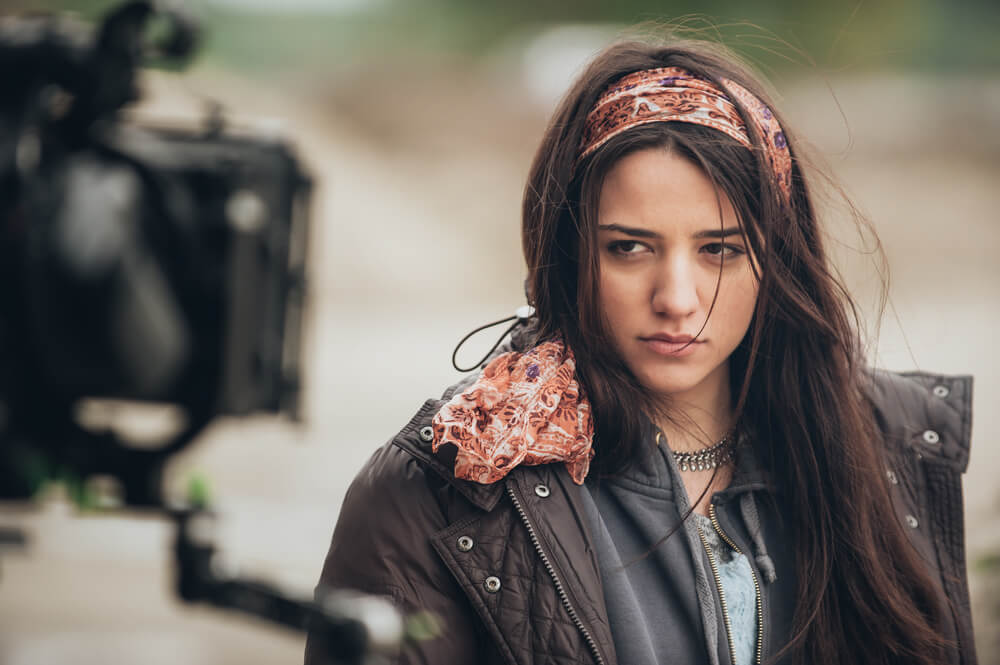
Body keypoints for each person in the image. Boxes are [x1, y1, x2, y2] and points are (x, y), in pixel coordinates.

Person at [305, 37, 976, 665]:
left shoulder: (887, 450)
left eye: (719, 250)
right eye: (629, 247)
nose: (677, 298)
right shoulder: (440, 489)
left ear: (777, 261)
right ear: (569, 256)